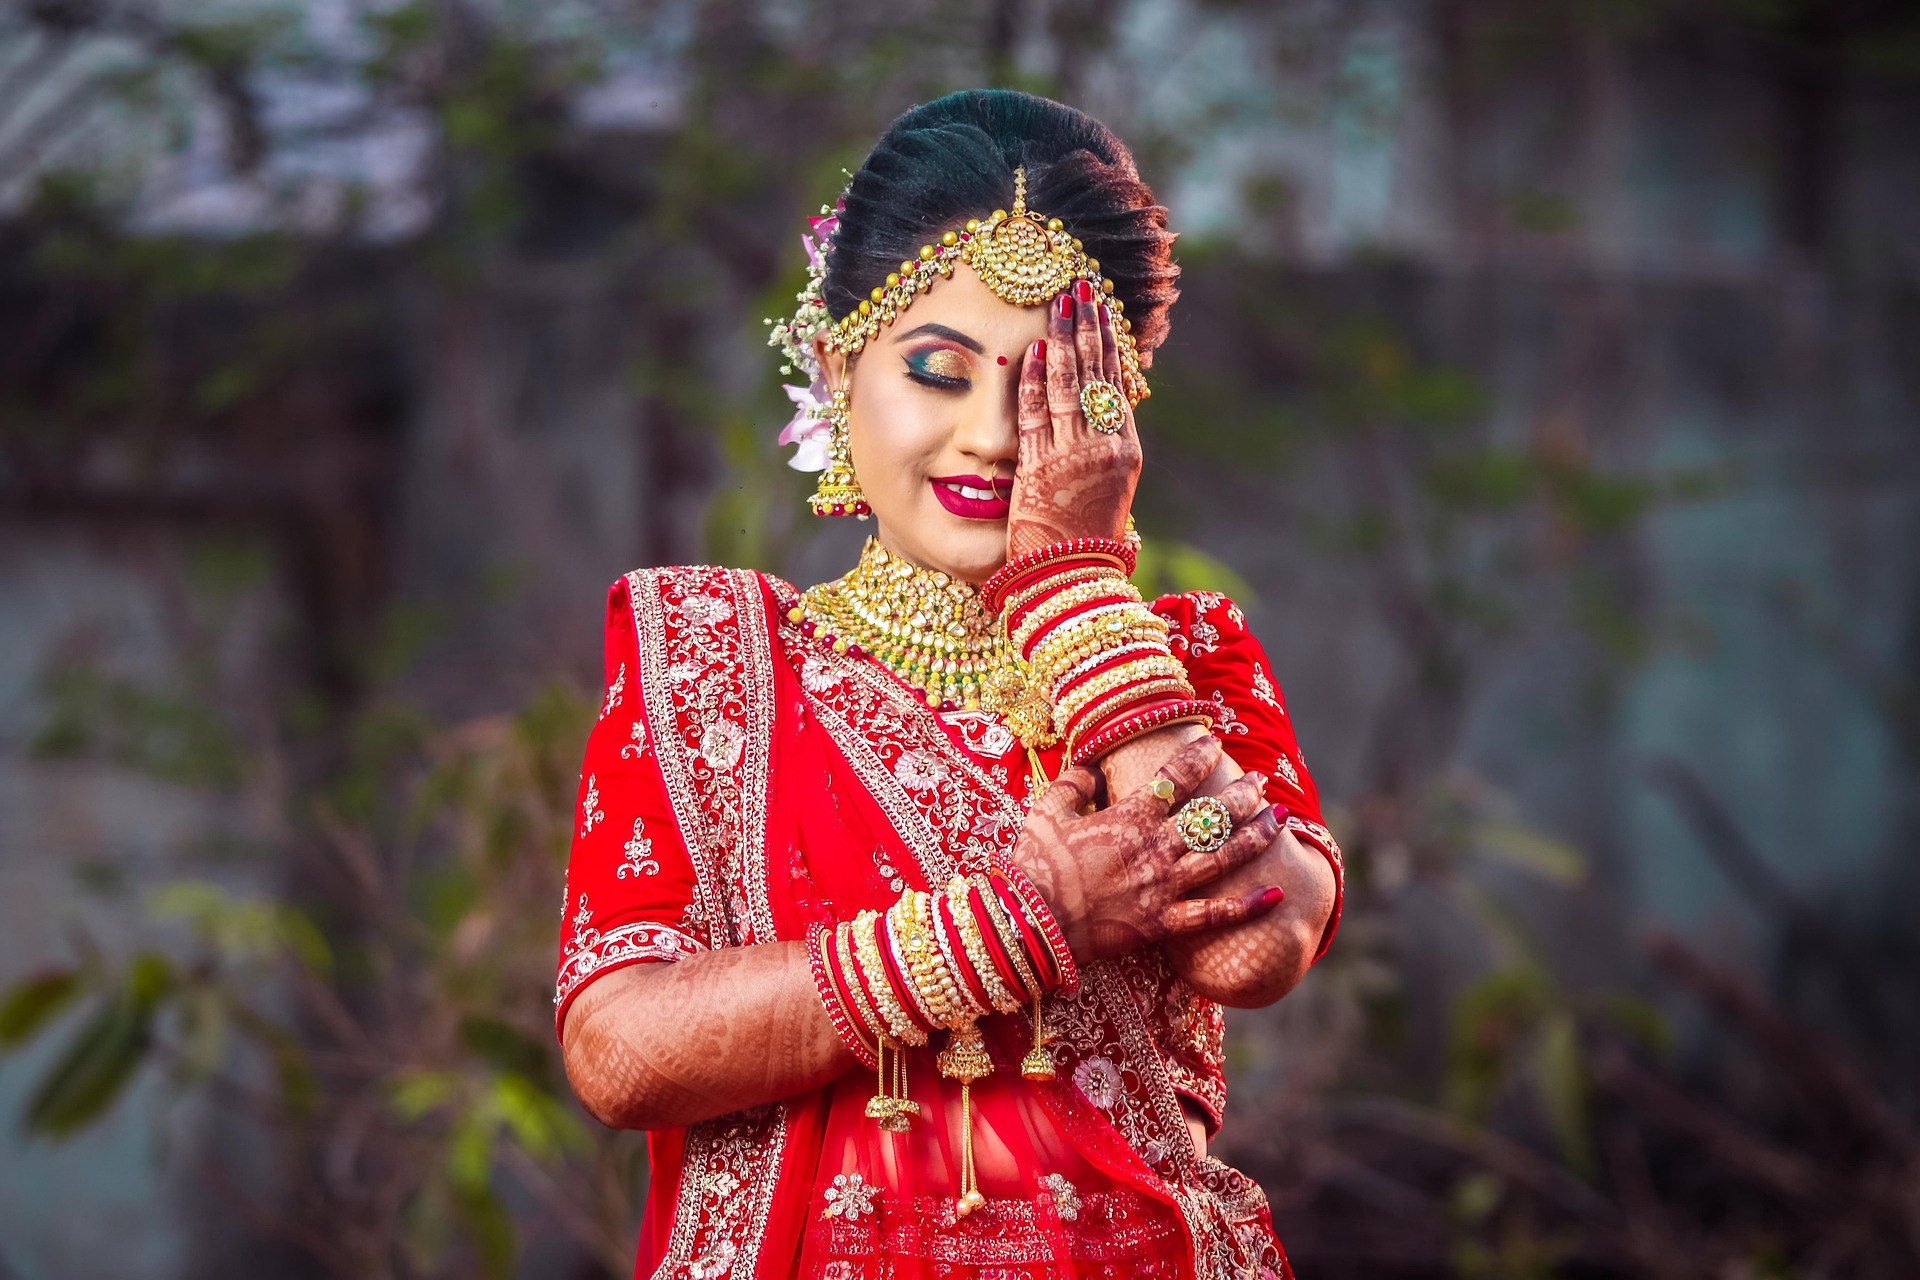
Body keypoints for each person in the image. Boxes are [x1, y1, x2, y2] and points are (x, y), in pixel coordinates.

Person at [554, 89, 1344, 1280]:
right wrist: (1019, 925)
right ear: (835, 364)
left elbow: (1253, 953)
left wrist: (1076, 590)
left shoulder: (1189, 661)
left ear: (1118, 412)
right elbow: (621, 1048)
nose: (993, 435)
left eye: (1050, 388)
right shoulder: (716, 663)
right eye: (937, 369)